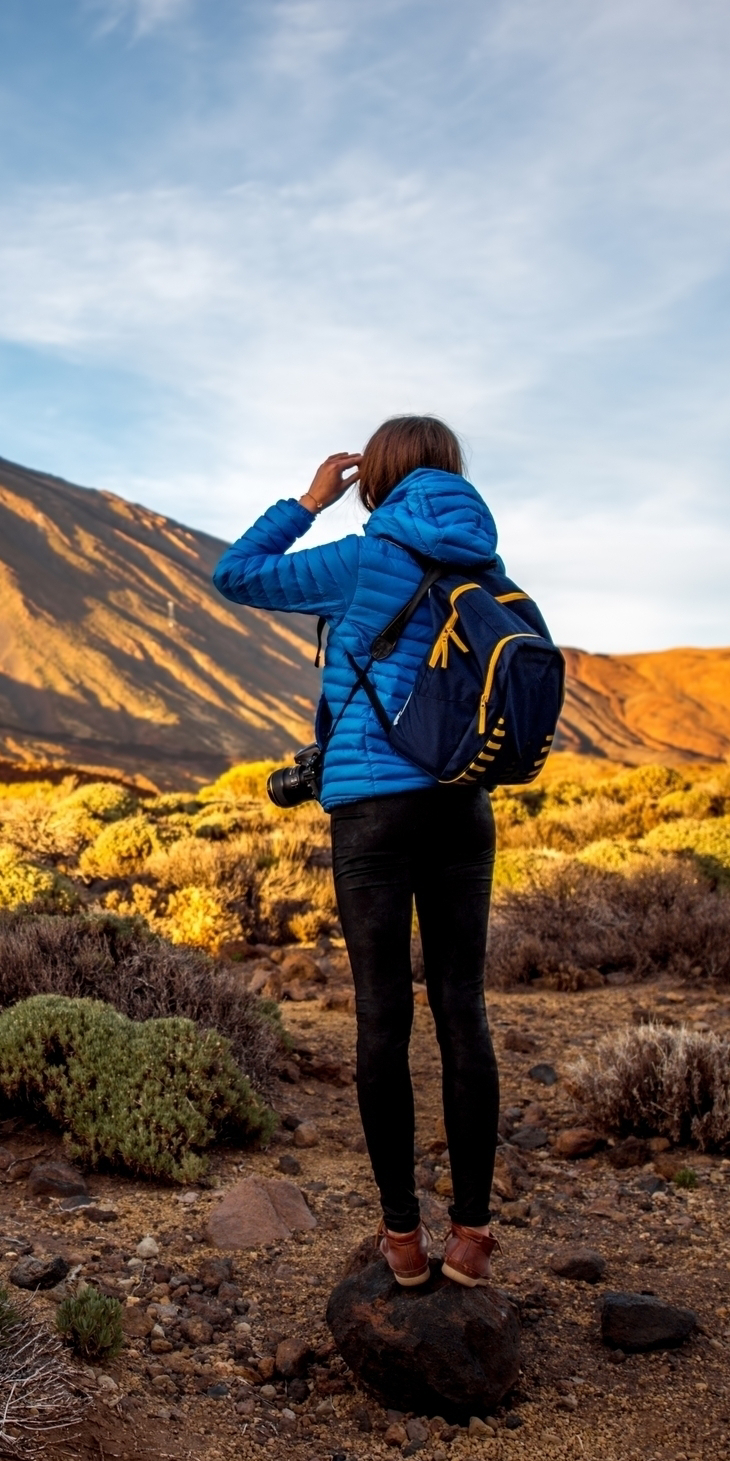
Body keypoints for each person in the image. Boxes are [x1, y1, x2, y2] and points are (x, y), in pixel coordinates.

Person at [209, 416, 507, 1289]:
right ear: (449, 472)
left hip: (373, 815)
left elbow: (239, 574)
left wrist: (307, 502)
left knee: (383, 1014)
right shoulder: (484, 562)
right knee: (464, 1011)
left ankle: (404, 1243)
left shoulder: (365, 557)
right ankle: (476, 1238)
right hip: (463, 811)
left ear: (375, 474)